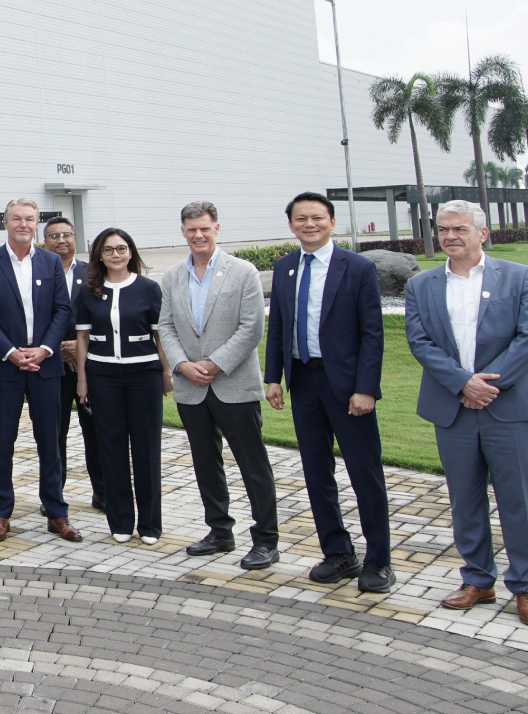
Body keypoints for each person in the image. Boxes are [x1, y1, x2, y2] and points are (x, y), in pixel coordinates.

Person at [405, 201, 528, 626]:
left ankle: (526, 588)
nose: (450, 236)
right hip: (453, 407)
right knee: (464, 499)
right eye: (443, 229)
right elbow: (420, 342)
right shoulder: (423, 284)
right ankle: (478, 580)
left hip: (508, 407)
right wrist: (461, 383)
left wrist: (485, 385)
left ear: (482, 234)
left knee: (518, 502)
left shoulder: (519, 276)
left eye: (460, 229)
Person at [264, 192, 392, 592]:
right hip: (304, 383)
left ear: (331, 222)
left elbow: (373, 333)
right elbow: (279, 328)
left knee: (364, 474)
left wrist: (365, 388)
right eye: (301, 218)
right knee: (317, 473)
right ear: (291, 225)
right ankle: (339, 553)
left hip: (348, 387)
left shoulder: (357, 267)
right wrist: (273, 377)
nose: (309, 224)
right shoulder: (285, 268)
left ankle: (379, 561)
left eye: (317, 217)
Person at [156, 202, 279, 570]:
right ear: (183, 231)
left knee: (252, 464)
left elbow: (251, 328)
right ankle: (219, 530)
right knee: (205, 464)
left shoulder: (242, 272)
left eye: (204, 228)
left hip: (233, 384)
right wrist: (181, 364)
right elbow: (166, 327)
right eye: (191, 229)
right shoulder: (173, 276)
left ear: (216, 229)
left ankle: (267, 540)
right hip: (191, 388)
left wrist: (212, 364)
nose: (198, 235)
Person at [0, 199, 78, 543]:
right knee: (4, 441)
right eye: (16, 218)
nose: (23, 224)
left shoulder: (50, 261)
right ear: (5, 222)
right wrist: (11, 353)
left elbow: (62, 309)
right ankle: (1, 513)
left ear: (37, 223)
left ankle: (57, 513)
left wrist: (45, 349)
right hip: (6, 368)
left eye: (29, 219)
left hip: (46, 366)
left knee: (51, 441)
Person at [72, 229, 171, 544]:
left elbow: (161, 336)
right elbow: (83, 339)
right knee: (111, 450)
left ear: (131, 252)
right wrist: (82, 379)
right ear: (99, 255)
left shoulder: (149, 289)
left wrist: (166, 372)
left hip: (144, 376)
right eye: (108, 249)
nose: (116, 254)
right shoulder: (90, 292)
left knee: (146, 449)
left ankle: (150, 525)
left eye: (122, 248)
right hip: (103, 378)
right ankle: (120, 522)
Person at [44, 217, 102, 510]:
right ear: (45, 241)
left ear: (76, 239)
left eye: (67, 234)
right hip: (51, 365)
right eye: (54, 235)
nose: (61, 240)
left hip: (87, 366)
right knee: (55, 433)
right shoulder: (37, 273)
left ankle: (102, 492)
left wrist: (81, 348)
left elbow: (103, 316)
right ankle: (54, 495)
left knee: (96, 430)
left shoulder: (93, 274)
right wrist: (57, 347)